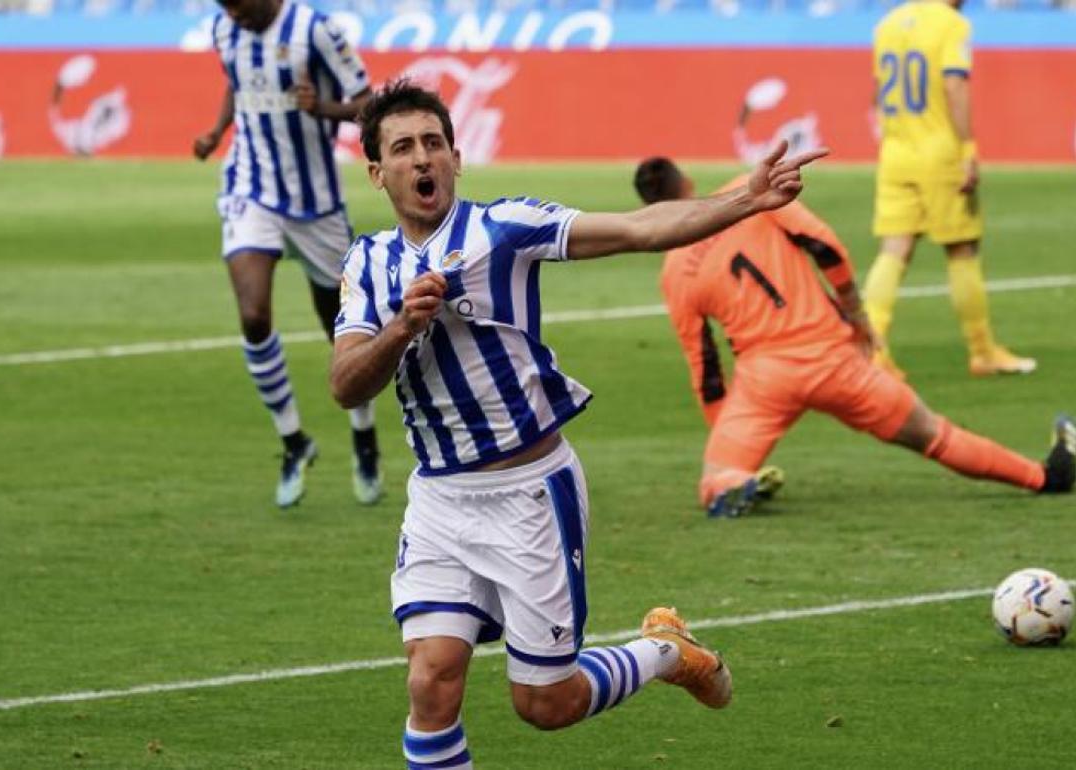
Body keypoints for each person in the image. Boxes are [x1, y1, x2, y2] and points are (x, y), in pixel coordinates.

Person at [330, 80, 827, 768]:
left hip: (528, 493)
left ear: (456, 156)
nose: (424, 161)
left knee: (546, 705)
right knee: (430, 681)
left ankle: (665, 653)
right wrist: (401, 329)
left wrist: (746, 198)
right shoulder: (367, 262)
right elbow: (344, 382)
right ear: (378, 171)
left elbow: (634, 229)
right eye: (405, 148)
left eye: (435, 144)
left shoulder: (502, 229)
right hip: (439, 500)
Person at [633, 157, 1075, 518]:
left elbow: (704, 364)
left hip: (764, 380)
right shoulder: (748, 193)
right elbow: (824, 245)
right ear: (688, 180)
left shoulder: (675, 272)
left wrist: (729, 430)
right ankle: (1041, 476)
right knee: (933, 434)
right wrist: (858, 315)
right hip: (833, 357)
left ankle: (734, 482)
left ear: (649, 208)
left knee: (715, 477)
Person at [193, 0, 380, 508]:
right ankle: (294, 441)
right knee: (253, 315)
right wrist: (216, 131)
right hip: (249, 186)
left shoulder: (316, 30)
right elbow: (237, 82)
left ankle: (363, 433)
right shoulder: (224, 29)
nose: (236, 18)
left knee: (340, 328)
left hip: (316, 202)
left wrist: (323, 109)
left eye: (242, 7)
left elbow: (368, 102)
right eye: (227, 9)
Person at [862, 0, 1034, 379]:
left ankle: (872, 353)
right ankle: (982, 350)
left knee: (894, 249)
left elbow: (876, 95)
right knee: (962, 249)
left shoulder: (887, 24)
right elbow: (953, 83)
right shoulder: (951, 24)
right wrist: (968, 150)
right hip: (939, 151)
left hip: (895, 152)